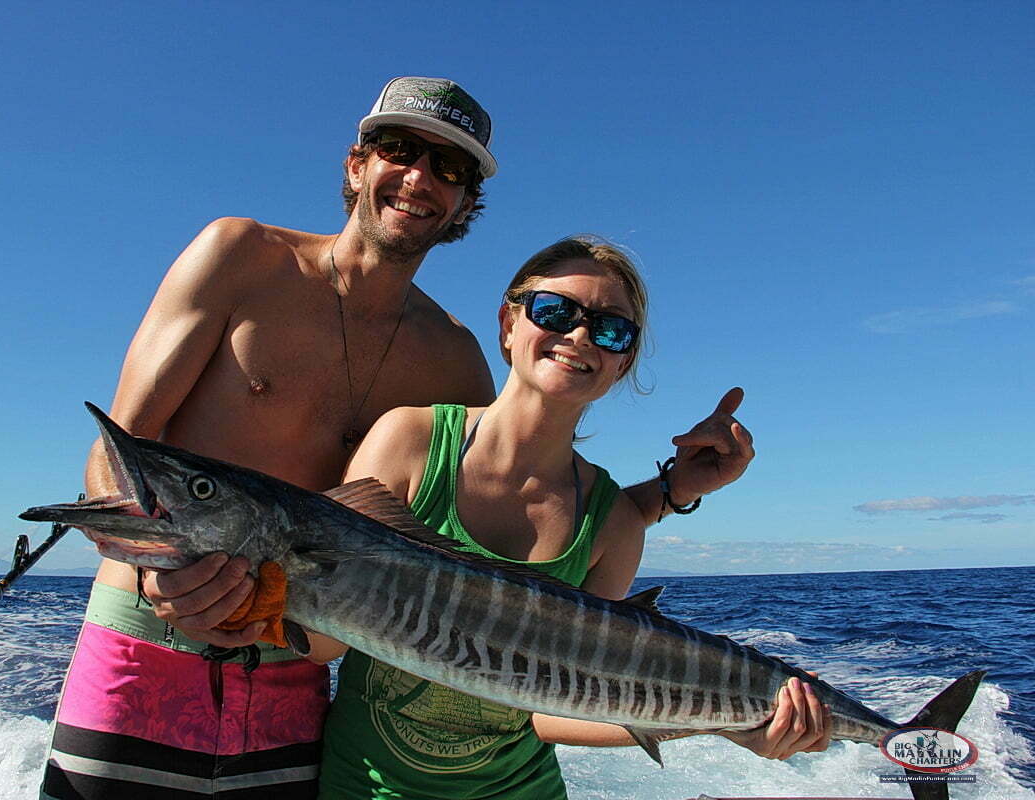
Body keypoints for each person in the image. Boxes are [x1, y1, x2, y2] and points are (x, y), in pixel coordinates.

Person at [41, 77, 757, 800]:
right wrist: (156, 573)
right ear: (358, 163)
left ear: (466, 204)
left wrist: (668, 492)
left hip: (294, 667)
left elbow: (500, 523)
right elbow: (122, 450)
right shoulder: (242, 257)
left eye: (450, 167)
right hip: (146, 638)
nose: (419, 177)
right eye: (399, 149)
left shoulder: (452, 358)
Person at [314, 237, 831, 799]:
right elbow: (325, 642)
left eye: (610, 330)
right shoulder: (408, 442)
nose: (580, 335)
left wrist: (730, 721)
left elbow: (554, 713)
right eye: (556, 311)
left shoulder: (613, 524)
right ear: (509, 324)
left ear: (621, 363)